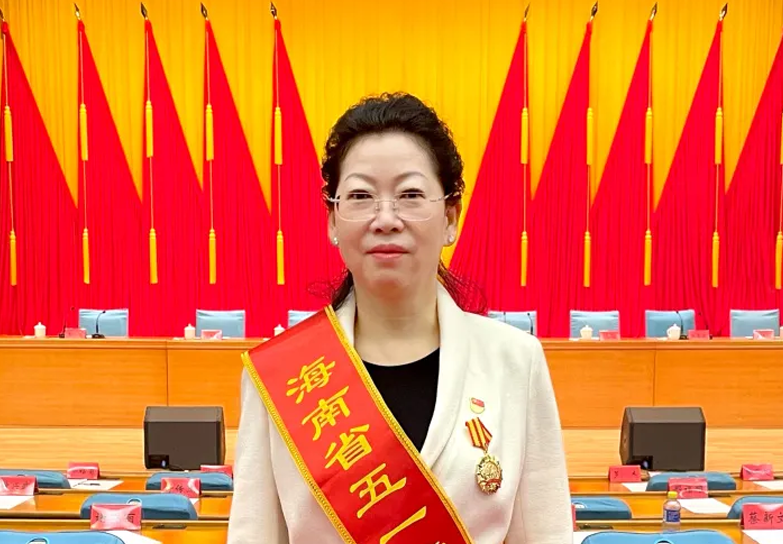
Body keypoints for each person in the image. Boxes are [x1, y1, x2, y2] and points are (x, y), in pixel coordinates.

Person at [227, 93, 572, 543]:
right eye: (360, 196)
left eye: (410, 194)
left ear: (450, 217)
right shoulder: (281, 376)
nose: (385, 218)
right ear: (332, 220)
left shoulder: (515, 362)